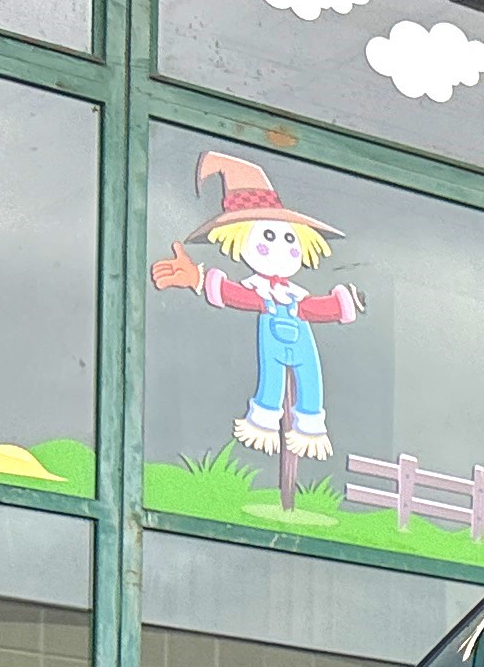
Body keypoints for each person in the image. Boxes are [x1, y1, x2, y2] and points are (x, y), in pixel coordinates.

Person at [149, 149, 366, 461]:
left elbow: (312, 308)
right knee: (272, 378)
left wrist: (343, 303)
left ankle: (309, 427)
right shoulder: (261, 294)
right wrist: (197, 278)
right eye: (268, 237)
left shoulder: (295, 296)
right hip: (272, 337)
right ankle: (263, 421)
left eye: (290, 240)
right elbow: (236, 294)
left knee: (310, 377)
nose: (281, 248)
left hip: (302, 340)